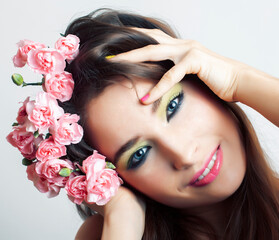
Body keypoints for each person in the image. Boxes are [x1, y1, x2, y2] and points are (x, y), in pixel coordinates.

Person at [58, 8, 279, 240]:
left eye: (172, 106)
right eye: (139, 154)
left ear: (204, 82)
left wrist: (238, 79)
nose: (184, 155)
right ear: (115, 178)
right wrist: (123, 218)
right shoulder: (109, 232)